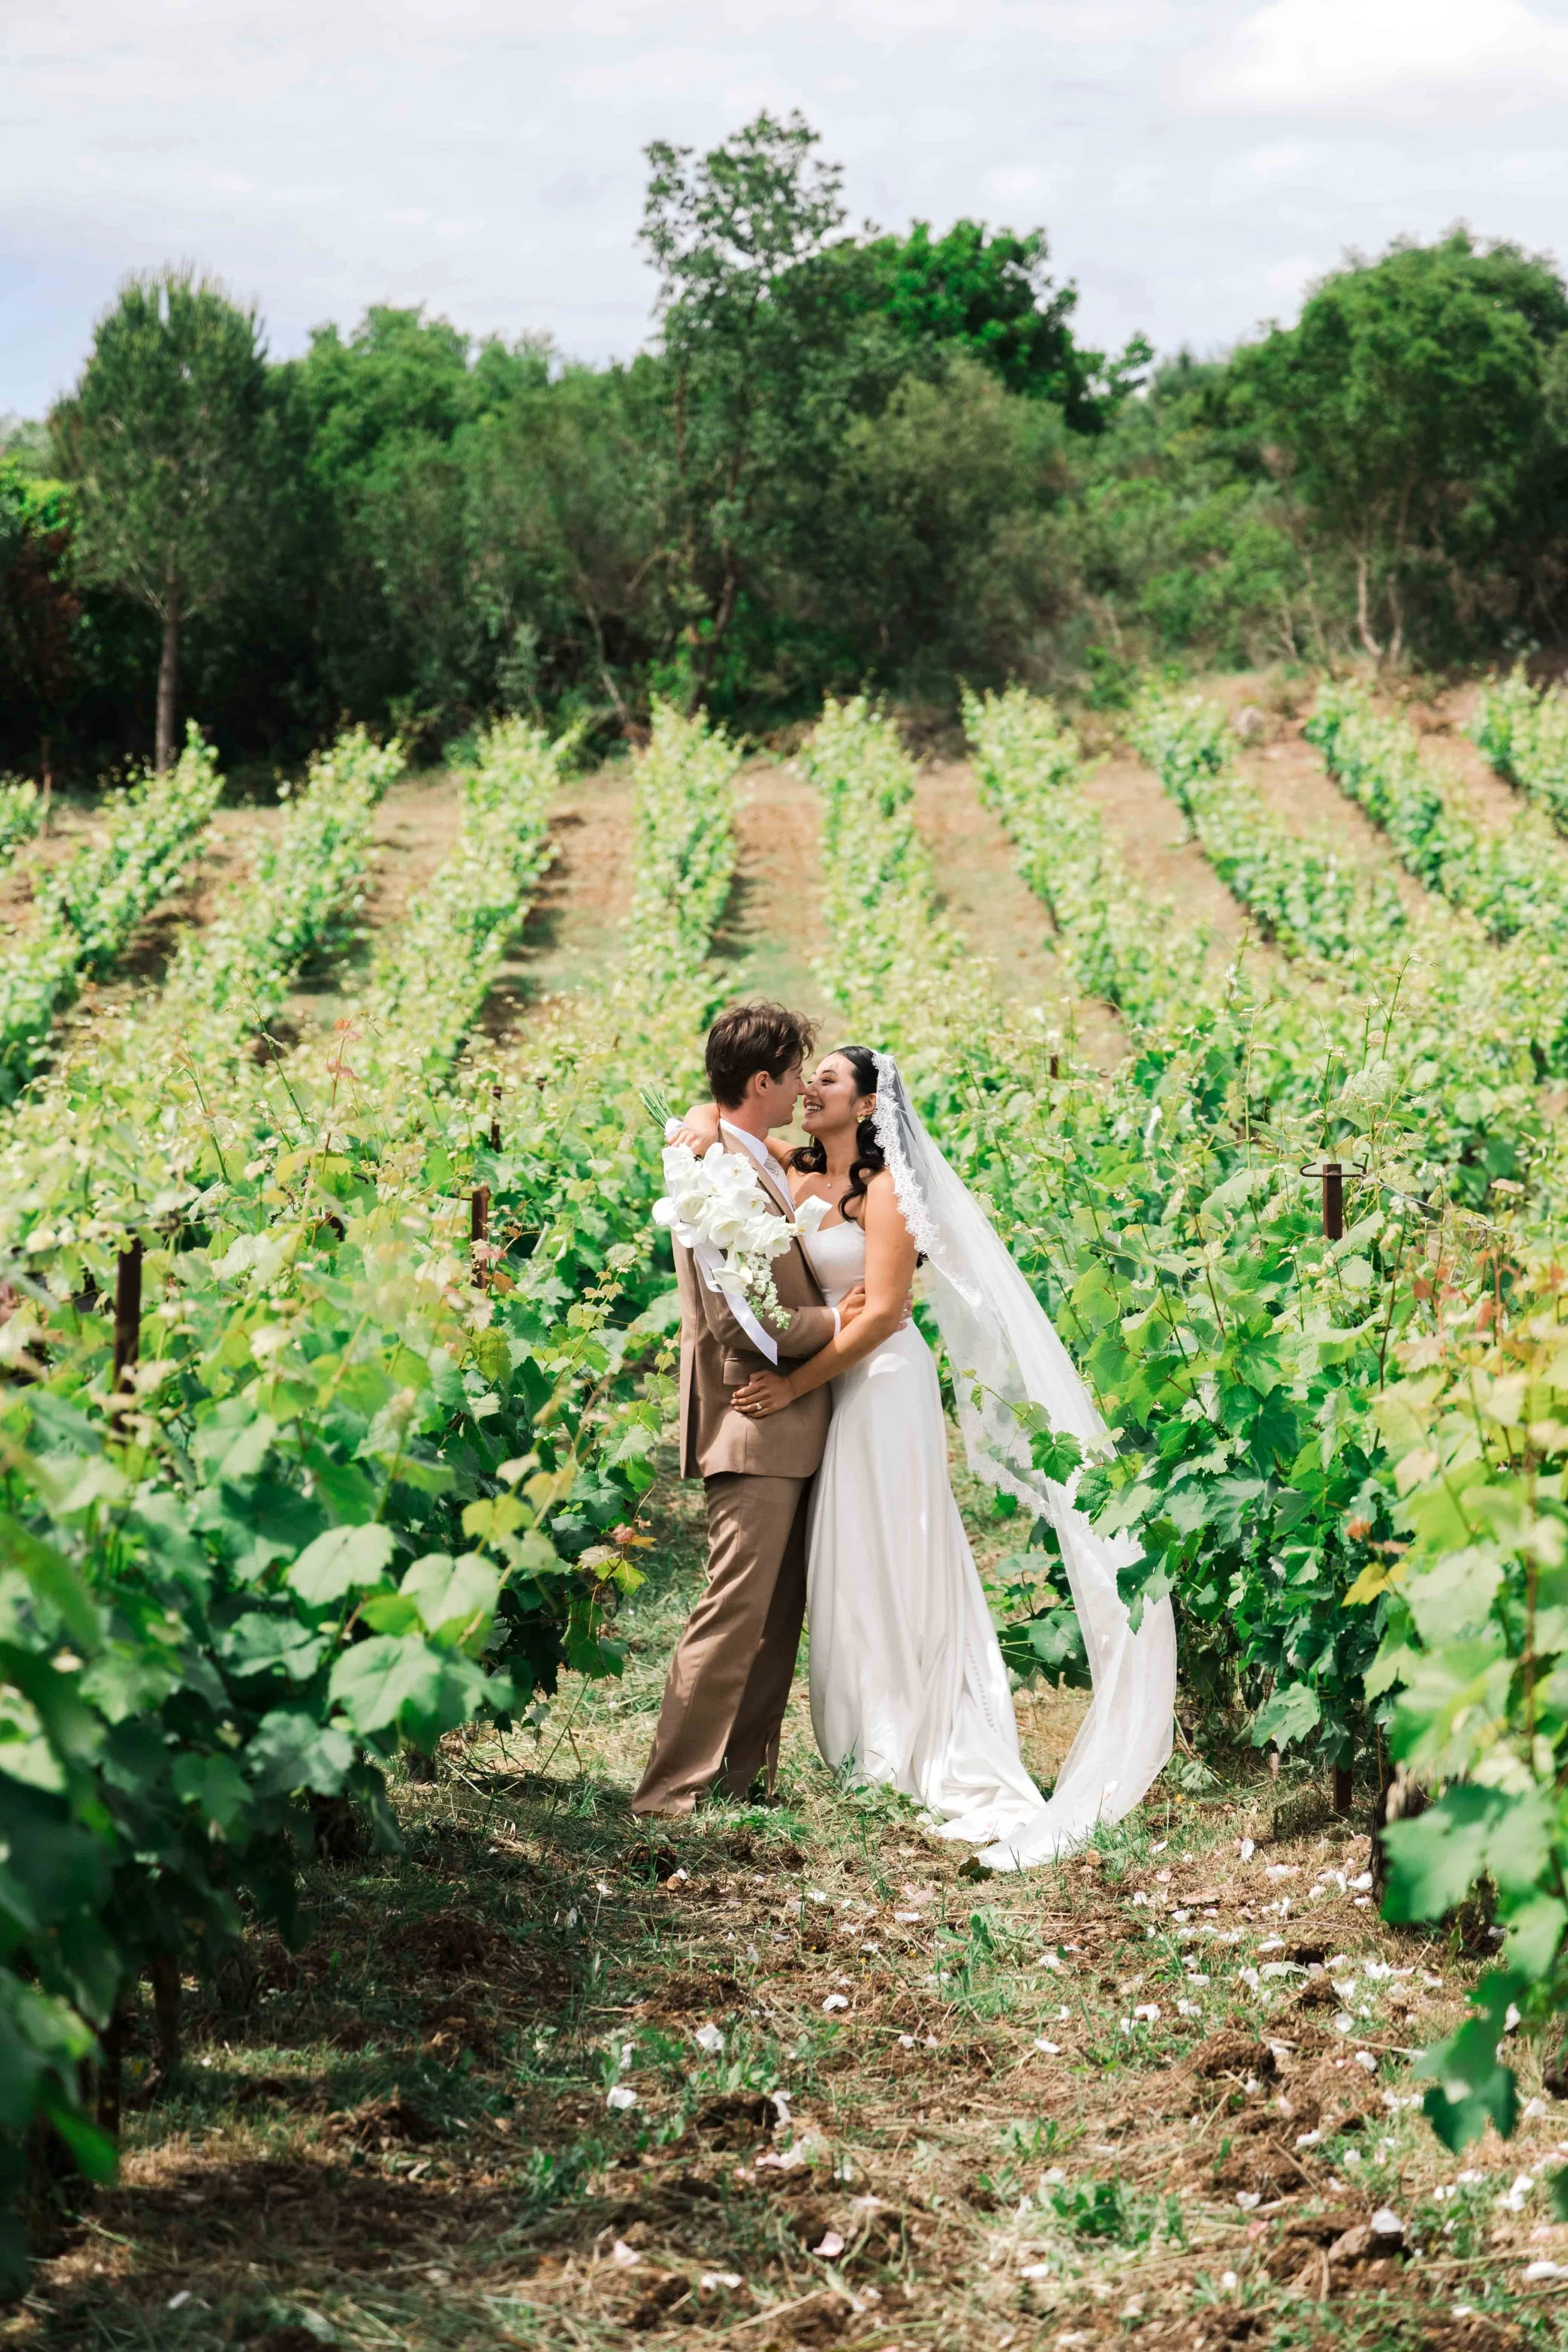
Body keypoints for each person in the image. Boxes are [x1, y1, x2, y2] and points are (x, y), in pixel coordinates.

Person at [673, 1042, 1176, 1869]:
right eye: (806, 1080)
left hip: (880, 1384)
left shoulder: (889, 1191)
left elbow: (882, 1316)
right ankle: (863, 1738)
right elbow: (728, 1137)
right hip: (833, 1382)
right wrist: (699, 1117)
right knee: (848, 1553)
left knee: (896, 1546)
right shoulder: (799, 1170)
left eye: (826, 1081)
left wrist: (796, 1389)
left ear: (867, 1104)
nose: (807, 1090)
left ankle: (919, 1737)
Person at [630, 1002, 868, 1819]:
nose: (805, 1084)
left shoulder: (742, 1149)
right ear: (762, 1081)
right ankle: (667, 1793)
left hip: (792, 1423)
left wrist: (699, 1113)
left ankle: (744, 1778)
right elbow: (744, 1317)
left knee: (777, 1613)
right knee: (733, 1611)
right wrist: (843, 1321)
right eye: (797, 1071)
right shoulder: (710, 1171)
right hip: (752, 1412)